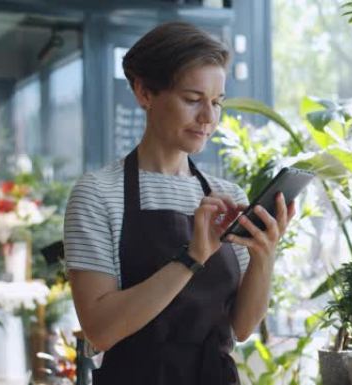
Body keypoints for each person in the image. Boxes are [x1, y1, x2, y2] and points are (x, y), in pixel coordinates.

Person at [64, 21, 295, 385]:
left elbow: (243, 326)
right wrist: (192, 257)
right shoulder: (98, 193)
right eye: (192, 100)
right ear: (144, 92)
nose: (208, 118)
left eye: (216, 103)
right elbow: (100, 331)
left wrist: (265, 256)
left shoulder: (228, 196)